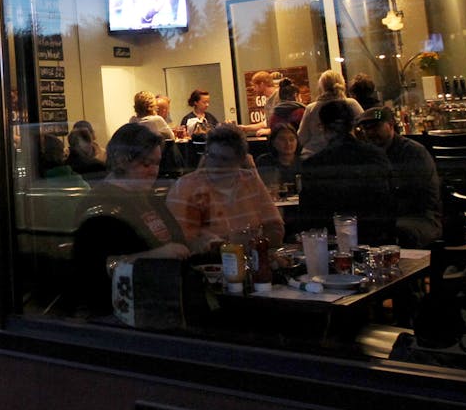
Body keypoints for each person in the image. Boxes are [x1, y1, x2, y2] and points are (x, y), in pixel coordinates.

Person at [70, 123, 189, 314]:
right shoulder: (99, 204)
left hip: (162, 299)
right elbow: (95, 270)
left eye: (157, 163)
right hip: (126, 311)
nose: (154, 171)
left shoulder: (147, 196)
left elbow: (176, 241)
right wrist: (156, 255)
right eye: (145, 164)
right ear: (121, 161)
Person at [167, 124, 284, 253]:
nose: (215, 164)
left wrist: (255, 244)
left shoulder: (250, 180)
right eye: (211, 156)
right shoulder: (187, 187)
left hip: (252, 259)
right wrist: (219, 246)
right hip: (209, 265)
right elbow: (181, 241)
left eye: (224, 159)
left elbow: (275, 227)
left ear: (239, 160)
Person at [297, 99, 395, 245]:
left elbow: (309, 216)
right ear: (352, 126)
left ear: (322, 127)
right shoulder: (376, 156)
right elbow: (388, 199)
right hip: (376, 236)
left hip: (333, 241)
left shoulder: (314, 164)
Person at [353, 105, 442, 247]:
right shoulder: (369, 155)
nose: (370, 133)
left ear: (390, 125)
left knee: (391, 230)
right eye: (366, 129)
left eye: (375, 127)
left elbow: (419, 197)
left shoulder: (413, 152)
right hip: (387, 216)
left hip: (419, 216)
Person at [297, 70, 364, 158]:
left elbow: (302, 137)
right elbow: (363, 127)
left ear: (321, 86)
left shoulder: (311, 108)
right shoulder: (351, 104)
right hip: (347, 154)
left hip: (314, 154)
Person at [253, 124, 302, 196]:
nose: (288, 143)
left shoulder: (304, 162)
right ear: (273, 142)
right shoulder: (264, 162)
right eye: (282, 139)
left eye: (291, 139)